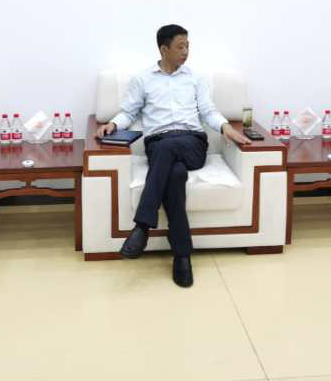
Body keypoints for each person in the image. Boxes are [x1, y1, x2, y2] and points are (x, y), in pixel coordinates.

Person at [96, 24, 250, 287]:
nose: (186, 51)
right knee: (175, 174)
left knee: (168, 150)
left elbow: (208, 111)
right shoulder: (143, 79)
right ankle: (182, 255)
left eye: (188, 46)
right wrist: (113, 123)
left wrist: (226, 127)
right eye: (180, 46)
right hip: (158, 143)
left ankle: (142, 226)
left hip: (192, 143)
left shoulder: (196, 78)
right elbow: (129, 111)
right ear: (163, 49)